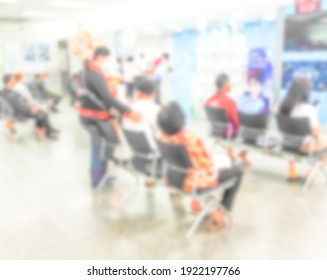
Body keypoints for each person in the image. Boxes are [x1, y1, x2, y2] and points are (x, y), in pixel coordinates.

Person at [158, 102, 243, 228]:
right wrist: (219, 168)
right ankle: (221, 213)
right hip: (195, 184)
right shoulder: (191, 138)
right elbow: (207, 165)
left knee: (202, 167)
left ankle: (196, 204)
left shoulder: (163, 138)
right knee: (237, 171)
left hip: (176, 180)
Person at [79, 46, 140, 189]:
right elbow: (107, 98)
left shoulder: (87, 71)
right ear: (99, 57)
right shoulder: (93, 74)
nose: (108, 61)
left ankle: (101, 178)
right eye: (107, 58)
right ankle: (99, 180)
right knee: (100, 149)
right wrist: (128, 111)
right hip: (95, 117)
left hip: (89, 115)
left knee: (99, 148)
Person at [280, 77, 327, 163]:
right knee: (325, 151)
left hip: (287, 144)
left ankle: (295, 172)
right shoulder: (309, 110)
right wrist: (314, 112)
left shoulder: (281, 107)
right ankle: (309, 175)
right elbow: (315, 133)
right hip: (304, 147)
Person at [0, 74, 59, 139]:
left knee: (41, 112)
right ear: (10, 81)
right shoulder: (10, 94)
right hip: (18, 113)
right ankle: (48, 133)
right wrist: (30, 109)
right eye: (13, 79)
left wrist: (31, 107)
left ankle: (48, 130)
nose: (15, 81)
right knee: (42, 115)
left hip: (18, 110)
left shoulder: (4, 91)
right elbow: (19, 106)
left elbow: (21, 102)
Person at [124, 77, 161, 150]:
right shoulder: (156, 109)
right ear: (154, 94)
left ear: (137, 93)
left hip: (133, 150)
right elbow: (160, 133)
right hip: (152, 149)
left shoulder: (127, 108)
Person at [206, 74, 239, 138]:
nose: (231, 85)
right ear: (226, 85)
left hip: (214, 131)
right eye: (230, 83)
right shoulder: (230, 102)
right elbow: (236, 122)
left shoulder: (209, 101)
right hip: (227, 134)